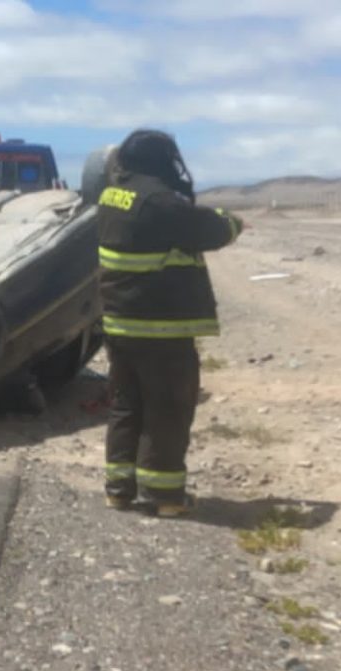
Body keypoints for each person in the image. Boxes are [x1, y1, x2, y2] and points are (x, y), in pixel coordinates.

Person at [96, 129, 244, 518]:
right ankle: (163, 496)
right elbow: (211, 229)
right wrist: (234, 221)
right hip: (159, 325)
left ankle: (119, 489)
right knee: (167, 408)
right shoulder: (159, 201)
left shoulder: (113, 195)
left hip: (121, 323)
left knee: (127, 405)